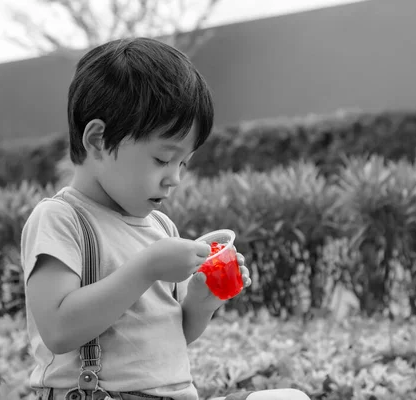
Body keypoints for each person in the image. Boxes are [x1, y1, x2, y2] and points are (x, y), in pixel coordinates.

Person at [21, 37, 311, 400]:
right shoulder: (62, 219)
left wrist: (202, 302)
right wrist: (146, 268)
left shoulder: (161, 228)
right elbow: (59, 330)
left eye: (183, 163)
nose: (175, 177)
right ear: (97, 139)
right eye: (162, 159)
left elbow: (173, 336)